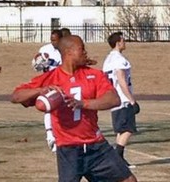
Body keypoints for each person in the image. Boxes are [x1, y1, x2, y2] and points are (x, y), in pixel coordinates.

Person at [11, 35, 137, 182]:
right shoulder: (51, 78)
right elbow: (16, 96)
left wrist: (83, 103)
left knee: (128, 180)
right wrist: (40, 91)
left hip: (95, 145)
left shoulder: (94, 75)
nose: (85, 52)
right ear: (68, 52)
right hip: (68, 149)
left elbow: (114, 99)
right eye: (81, 49)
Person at [102, 32, 140, 168]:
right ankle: (117, 156)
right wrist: (132, 100)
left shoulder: (108, 59)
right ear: (118, 42)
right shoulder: (119, 59)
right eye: (123, 40)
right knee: (128, 129)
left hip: (114, 98)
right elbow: (122, 80)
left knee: (121, 130)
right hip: (122, 98)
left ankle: (119, 159)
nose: (125, 42)